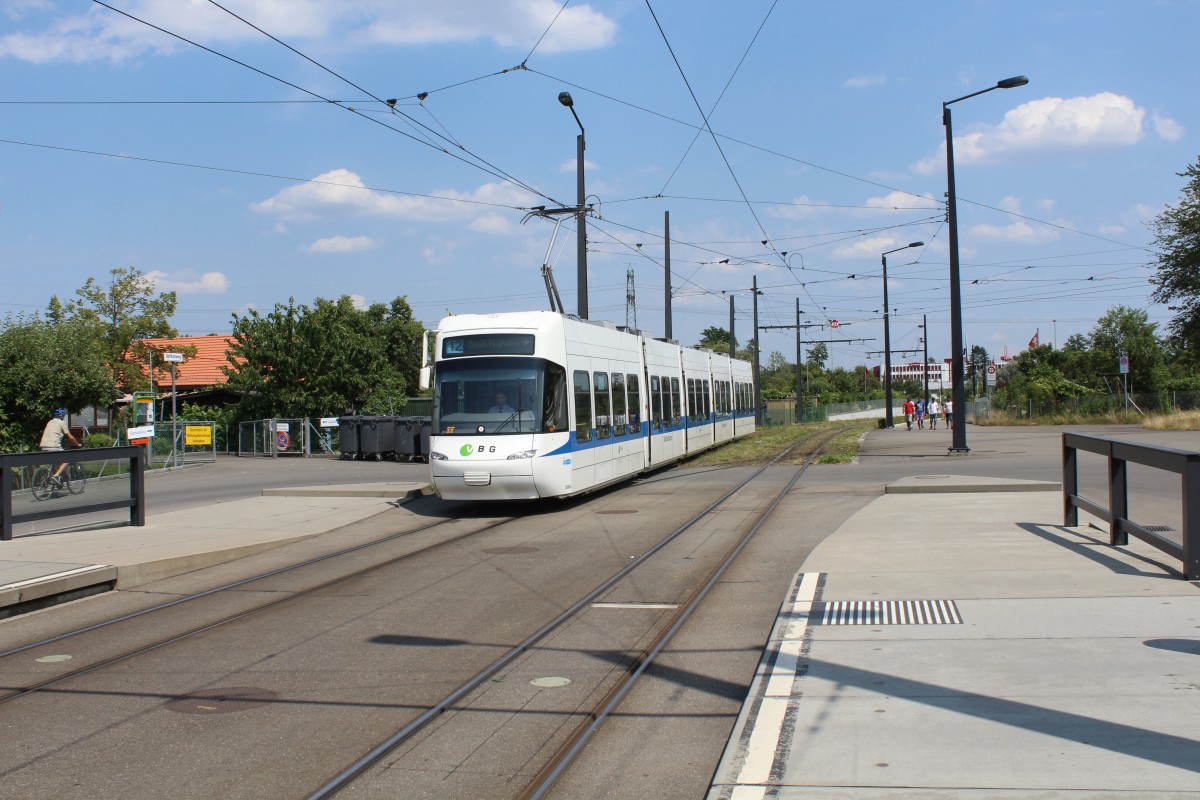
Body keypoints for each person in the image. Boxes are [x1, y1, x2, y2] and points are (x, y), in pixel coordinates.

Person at [40, 408, 80, 486]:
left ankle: (52, 480)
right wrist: (77, 444)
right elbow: (70, 437)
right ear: (62, 416)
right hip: (53, 447)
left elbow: (54, 434)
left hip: (43, 446)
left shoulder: (50, 422)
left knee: (55, 463)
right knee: (68, 458)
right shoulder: (61, 423)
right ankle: (56, 476)